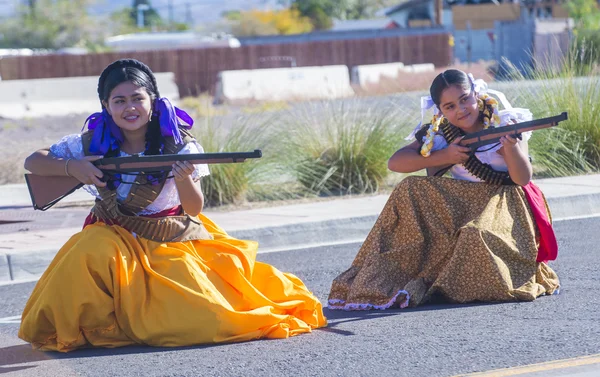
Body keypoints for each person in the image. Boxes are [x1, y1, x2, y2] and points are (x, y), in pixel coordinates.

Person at [19, 58, 326, 352]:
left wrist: (183, 180)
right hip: (112, 239)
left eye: (137, 98)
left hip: (167, 240)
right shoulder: (90, 143)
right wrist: (71, 167)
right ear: (106, 107)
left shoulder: (180, 145)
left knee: (210, 319)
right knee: (92, 247)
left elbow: (193, 208)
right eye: (119, 101)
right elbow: (33, 161)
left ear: (153, 101)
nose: (130, 108)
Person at [328, 69, 560, 310]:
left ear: (476, 94)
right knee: (409, 187)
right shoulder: (439, 133)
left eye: (464, 99)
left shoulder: (505, 123)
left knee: (474, 234)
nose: (460, 110)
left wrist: (510, 149)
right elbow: (395, 162)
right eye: (449, 106)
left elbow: (522, 178)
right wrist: (444, 155)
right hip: (461, 203)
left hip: (505, 202)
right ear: (440, 111)